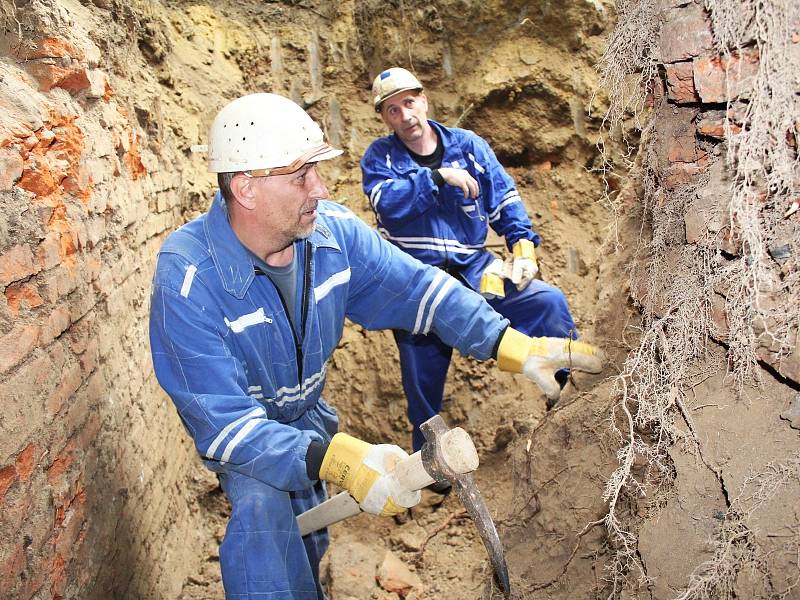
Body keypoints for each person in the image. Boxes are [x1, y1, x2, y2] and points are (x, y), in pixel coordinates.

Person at [149, 92, 602, 600]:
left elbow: (419, 291)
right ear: (247, 188)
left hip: (308, 418)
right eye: (301, 175)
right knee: (264, 527)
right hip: (249, 439)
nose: (319, 188)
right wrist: (344, 460)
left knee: (310, 544)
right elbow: (225, 424)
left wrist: (511, 345)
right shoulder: (188, 280)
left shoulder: (331, 237)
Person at [361, 67, 585, 452]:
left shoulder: (469, 147)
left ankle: (573, 395)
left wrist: (523, 247)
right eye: (393, 110)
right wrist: (437, 179)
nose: (405, 116)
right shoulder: (380, 158)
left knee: (546, 302)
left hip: (476, 270)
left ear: (424, 98)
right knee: (421, 383)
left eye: (409, 103)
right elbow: (388, 205)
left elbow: (503, 197)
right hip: (417, 281)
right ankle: (432, 468)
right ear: (384, 117)